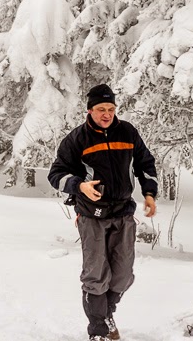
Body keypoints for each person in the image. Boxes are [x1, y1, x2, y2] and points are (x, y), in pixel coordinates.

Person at [48, 84, 158, 341]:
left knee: (122, 275)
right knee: (96, 274)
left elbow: (145, 163)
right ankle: (99, 330)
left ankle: (106, 314)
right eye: (100, 109)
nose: (106, 114)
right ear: (90, 110)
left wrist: (150, 193)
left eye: (110, 109)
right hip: (92, 216)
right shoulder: (77, 139)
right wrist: (80, 186)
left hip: (123, 214)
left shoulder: (128, 132)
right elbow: (56, 175)